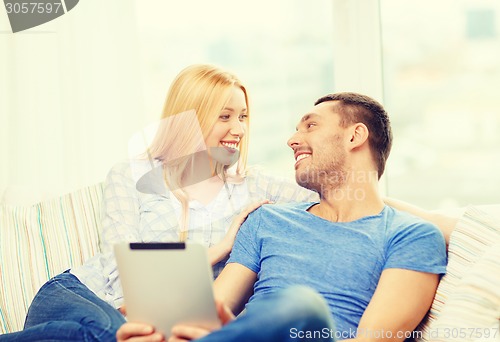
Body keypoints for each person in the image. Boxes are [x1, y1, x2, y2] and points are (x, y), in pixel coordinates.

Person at [0, 64, 316, 341]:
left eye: (243, 117)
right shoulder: (131, 175)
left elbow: (330, 195)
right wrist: (216, 252)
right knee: (123, 336)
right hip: (79, 295)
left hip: (152, 325)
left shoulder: (255, 184)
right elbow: (121, 275)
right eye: (225, 117)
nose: (239, 129)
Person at [117, 92, 448, 342]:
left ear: (354, 136)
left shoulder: (412, 236)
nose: (292, 140)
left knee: (301, 305)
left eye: (310, 126)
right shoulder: (267, 220)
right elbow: (213, 309)